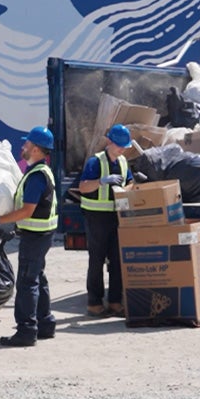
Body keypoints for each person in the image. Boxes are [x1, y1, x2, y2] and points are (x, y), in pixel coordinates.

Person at [0, 126, 58, 347]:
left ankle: (26, 330)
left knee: (27, 282)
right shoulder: (41, 170)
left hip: (35, 236)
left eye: (26, 144)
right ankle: (45, 323)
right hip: (41, 234)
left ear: (35, 149)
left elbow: (27, 210)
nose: (22, 146)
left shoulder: (36, 176)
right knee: (37, 277)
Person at [77, 123, 134, 317]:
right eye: (119, 145)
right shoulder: (96, 162)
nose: (122, 149)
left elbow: (131, 182)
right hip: (97, 217)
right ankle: (94, 303)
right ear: (109, 141)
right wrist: (102, 181)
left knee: (117, 260)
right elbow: (83, 187)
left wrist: (126, 190)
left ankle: (115, 302)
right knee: (97, 260)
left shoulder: (123, 162)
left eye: (124, 146)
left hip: (116, 216)